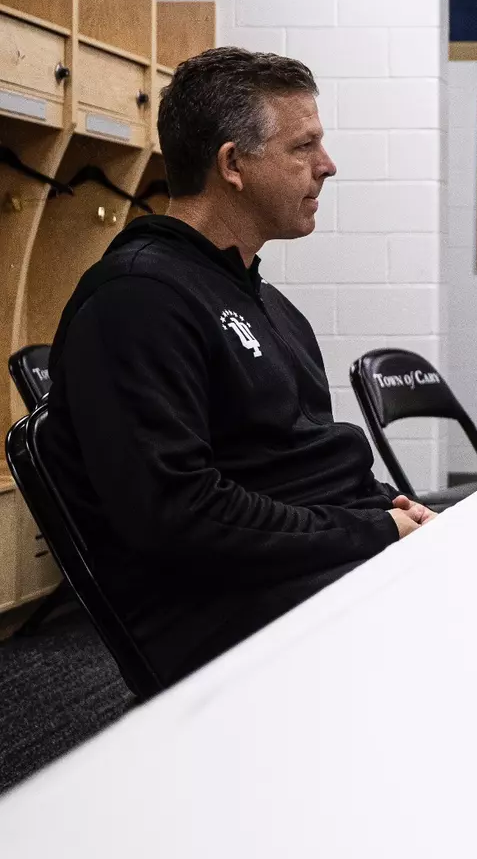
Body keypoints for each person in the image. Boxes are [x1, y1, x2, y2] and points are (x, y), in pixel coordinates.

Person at [43, 47, 434, 688]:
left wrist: (390, 512)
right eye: (303, 147)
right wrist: (367, 531)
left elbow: (300, 466)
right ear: (233, 165)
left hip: (309, 577)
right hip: (235, 627)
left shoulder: (266, 302)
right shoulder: (137, 300)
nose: (327, 166)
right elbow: (182, 516)